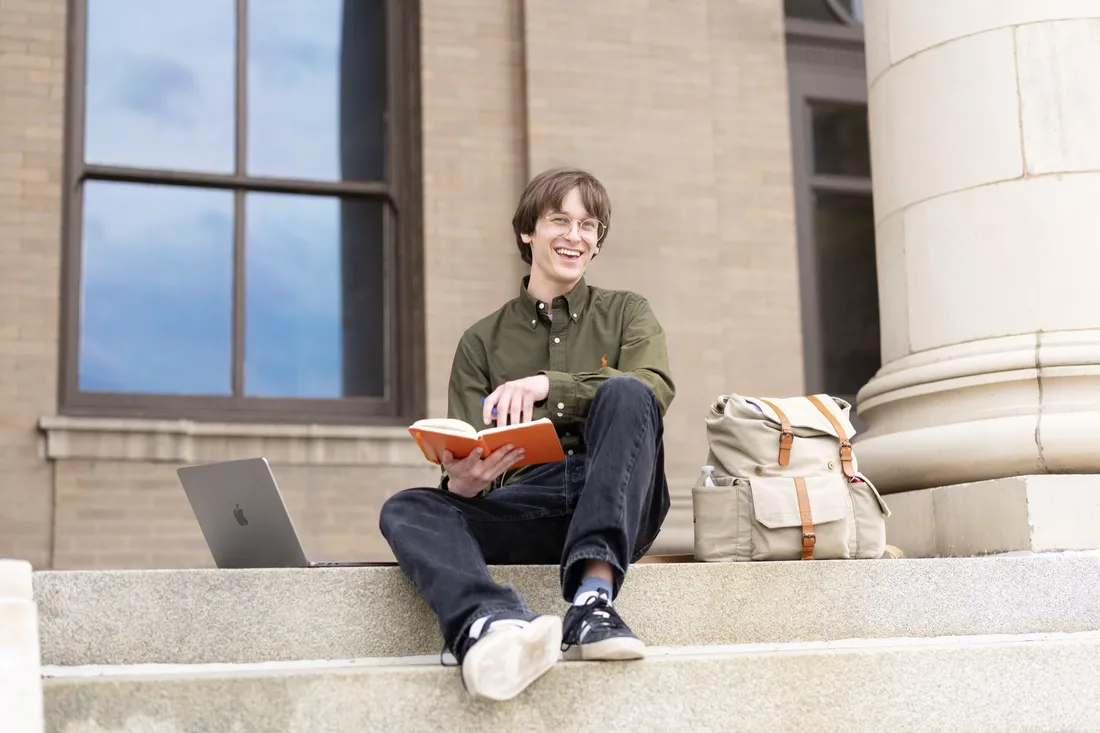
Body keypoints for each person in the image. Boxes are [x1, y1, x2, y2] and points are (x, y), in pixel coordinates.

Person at [379, 167, 675, 701]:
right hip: (527, 505)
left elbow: (653, 392)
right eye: (559, 220)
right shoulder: (480, 342)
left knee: (628, 392)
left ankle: (592, 602)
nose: (575, 236)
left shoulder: (628, 312)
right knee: (407, 507)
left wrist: (548, 386)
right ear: (527, 232)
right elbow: (466, 443)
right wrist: (465, 484)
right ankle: (489, 626)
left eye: (589, 226)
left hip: (619, 495)